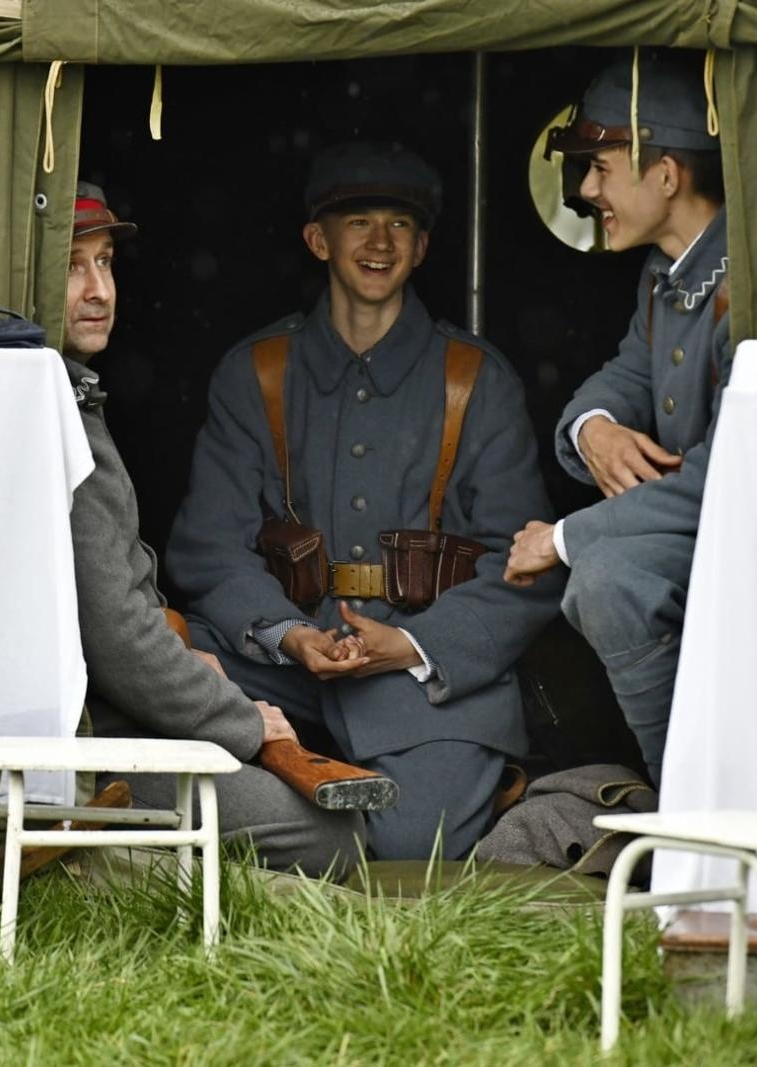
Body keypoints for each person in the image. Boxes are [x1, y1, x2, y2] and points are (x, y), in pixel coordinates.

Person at [166, 144, 564, 861]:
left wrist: (413, 644)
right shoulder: (256, 371)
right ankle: (309, 802)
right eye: (358, 222)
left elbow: (526, 564)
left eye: (400, 225)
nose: (380, 242)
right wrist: (290, 633)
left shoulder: (476, 380)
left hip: (423, 671)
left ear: (422, 248)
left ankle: (302, 817)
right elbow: (208, 547)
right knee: (144, 712)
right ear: (318, 239)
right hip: (281, 663)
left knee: (409, 840)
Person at [59, 181, 362, 878]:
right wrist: (245, 724)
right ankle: (101, 876)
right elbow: (119, 641)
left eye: (105, 262)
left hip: (114, 702)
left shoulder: (67, 396)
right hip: (88, 729)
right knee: (328, 838)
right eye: (74, 266)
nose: (99, 289)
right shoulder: (53, 413)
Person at [503, 51, 731, 788]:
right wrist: (593, 427)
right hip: (698, 524)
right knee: (607, 579)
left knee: (602, 577)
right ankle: (682, 801)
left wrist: (563, 538)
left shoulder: (749, 280)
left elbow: (728, 475)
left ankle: (692, 808)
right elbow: (623, 379)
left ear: (666, 174)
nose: (587, 188)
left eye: (601, 167)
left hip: (749, 531)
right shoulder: (666, 274)